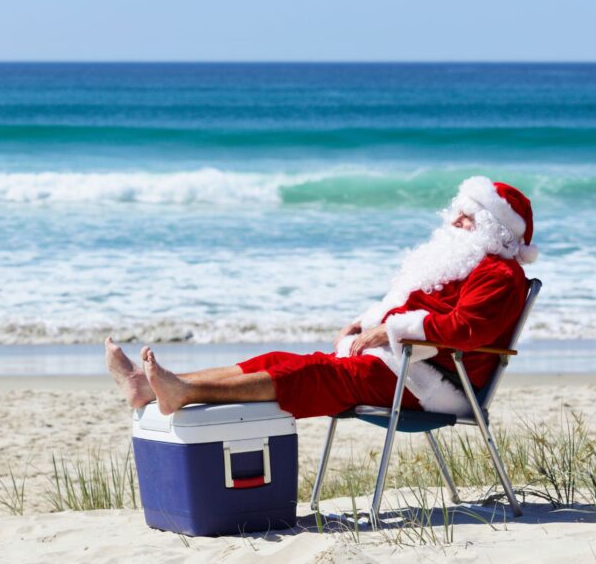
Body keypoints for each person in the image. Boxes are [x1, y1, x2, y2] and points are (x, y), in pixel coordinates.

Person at [105, 176, 538, 418]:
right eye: (458, 211)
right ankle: (151, 386)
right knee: (279, 359)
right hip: (404, 362)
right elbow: (418, 308)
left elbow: (467, 329)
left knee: (311, 375)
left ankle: (185, 392)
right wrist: (371, 324)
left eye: (468, 216)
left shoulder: (499, 274)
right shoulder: (460, 263)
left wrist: (393, 329)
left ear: (494, 230)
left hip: (435, 379)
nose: (455, 221)